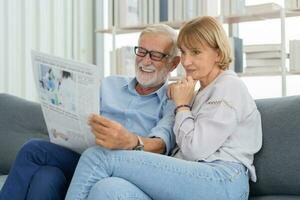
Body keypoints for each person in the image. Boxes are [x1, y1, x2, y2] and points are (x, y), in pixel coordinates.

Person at [65, 16, 262, 200]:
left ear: (218, 53)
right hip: (190, 178)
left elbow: (195, 150)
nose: (186, 61)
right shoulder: (199, 90)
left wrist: (182, 105)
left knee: (98, 157)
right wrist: (182, 101)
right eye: (184, 52)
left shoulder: (229, 86)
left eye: (195, 52)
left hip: (222, 180)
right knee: (108, 189)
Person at [0, 24, 180, 200]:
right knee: (46, 177)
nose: (145, 60)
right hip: (82, 157)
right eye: (141, 51)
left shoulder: (171, 98)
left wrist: (130, 141)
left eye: (155, 55)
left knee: (33, 149)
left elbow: (161, 144)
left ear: (173, 64)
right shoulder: (110, 84)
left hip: (120, 169)